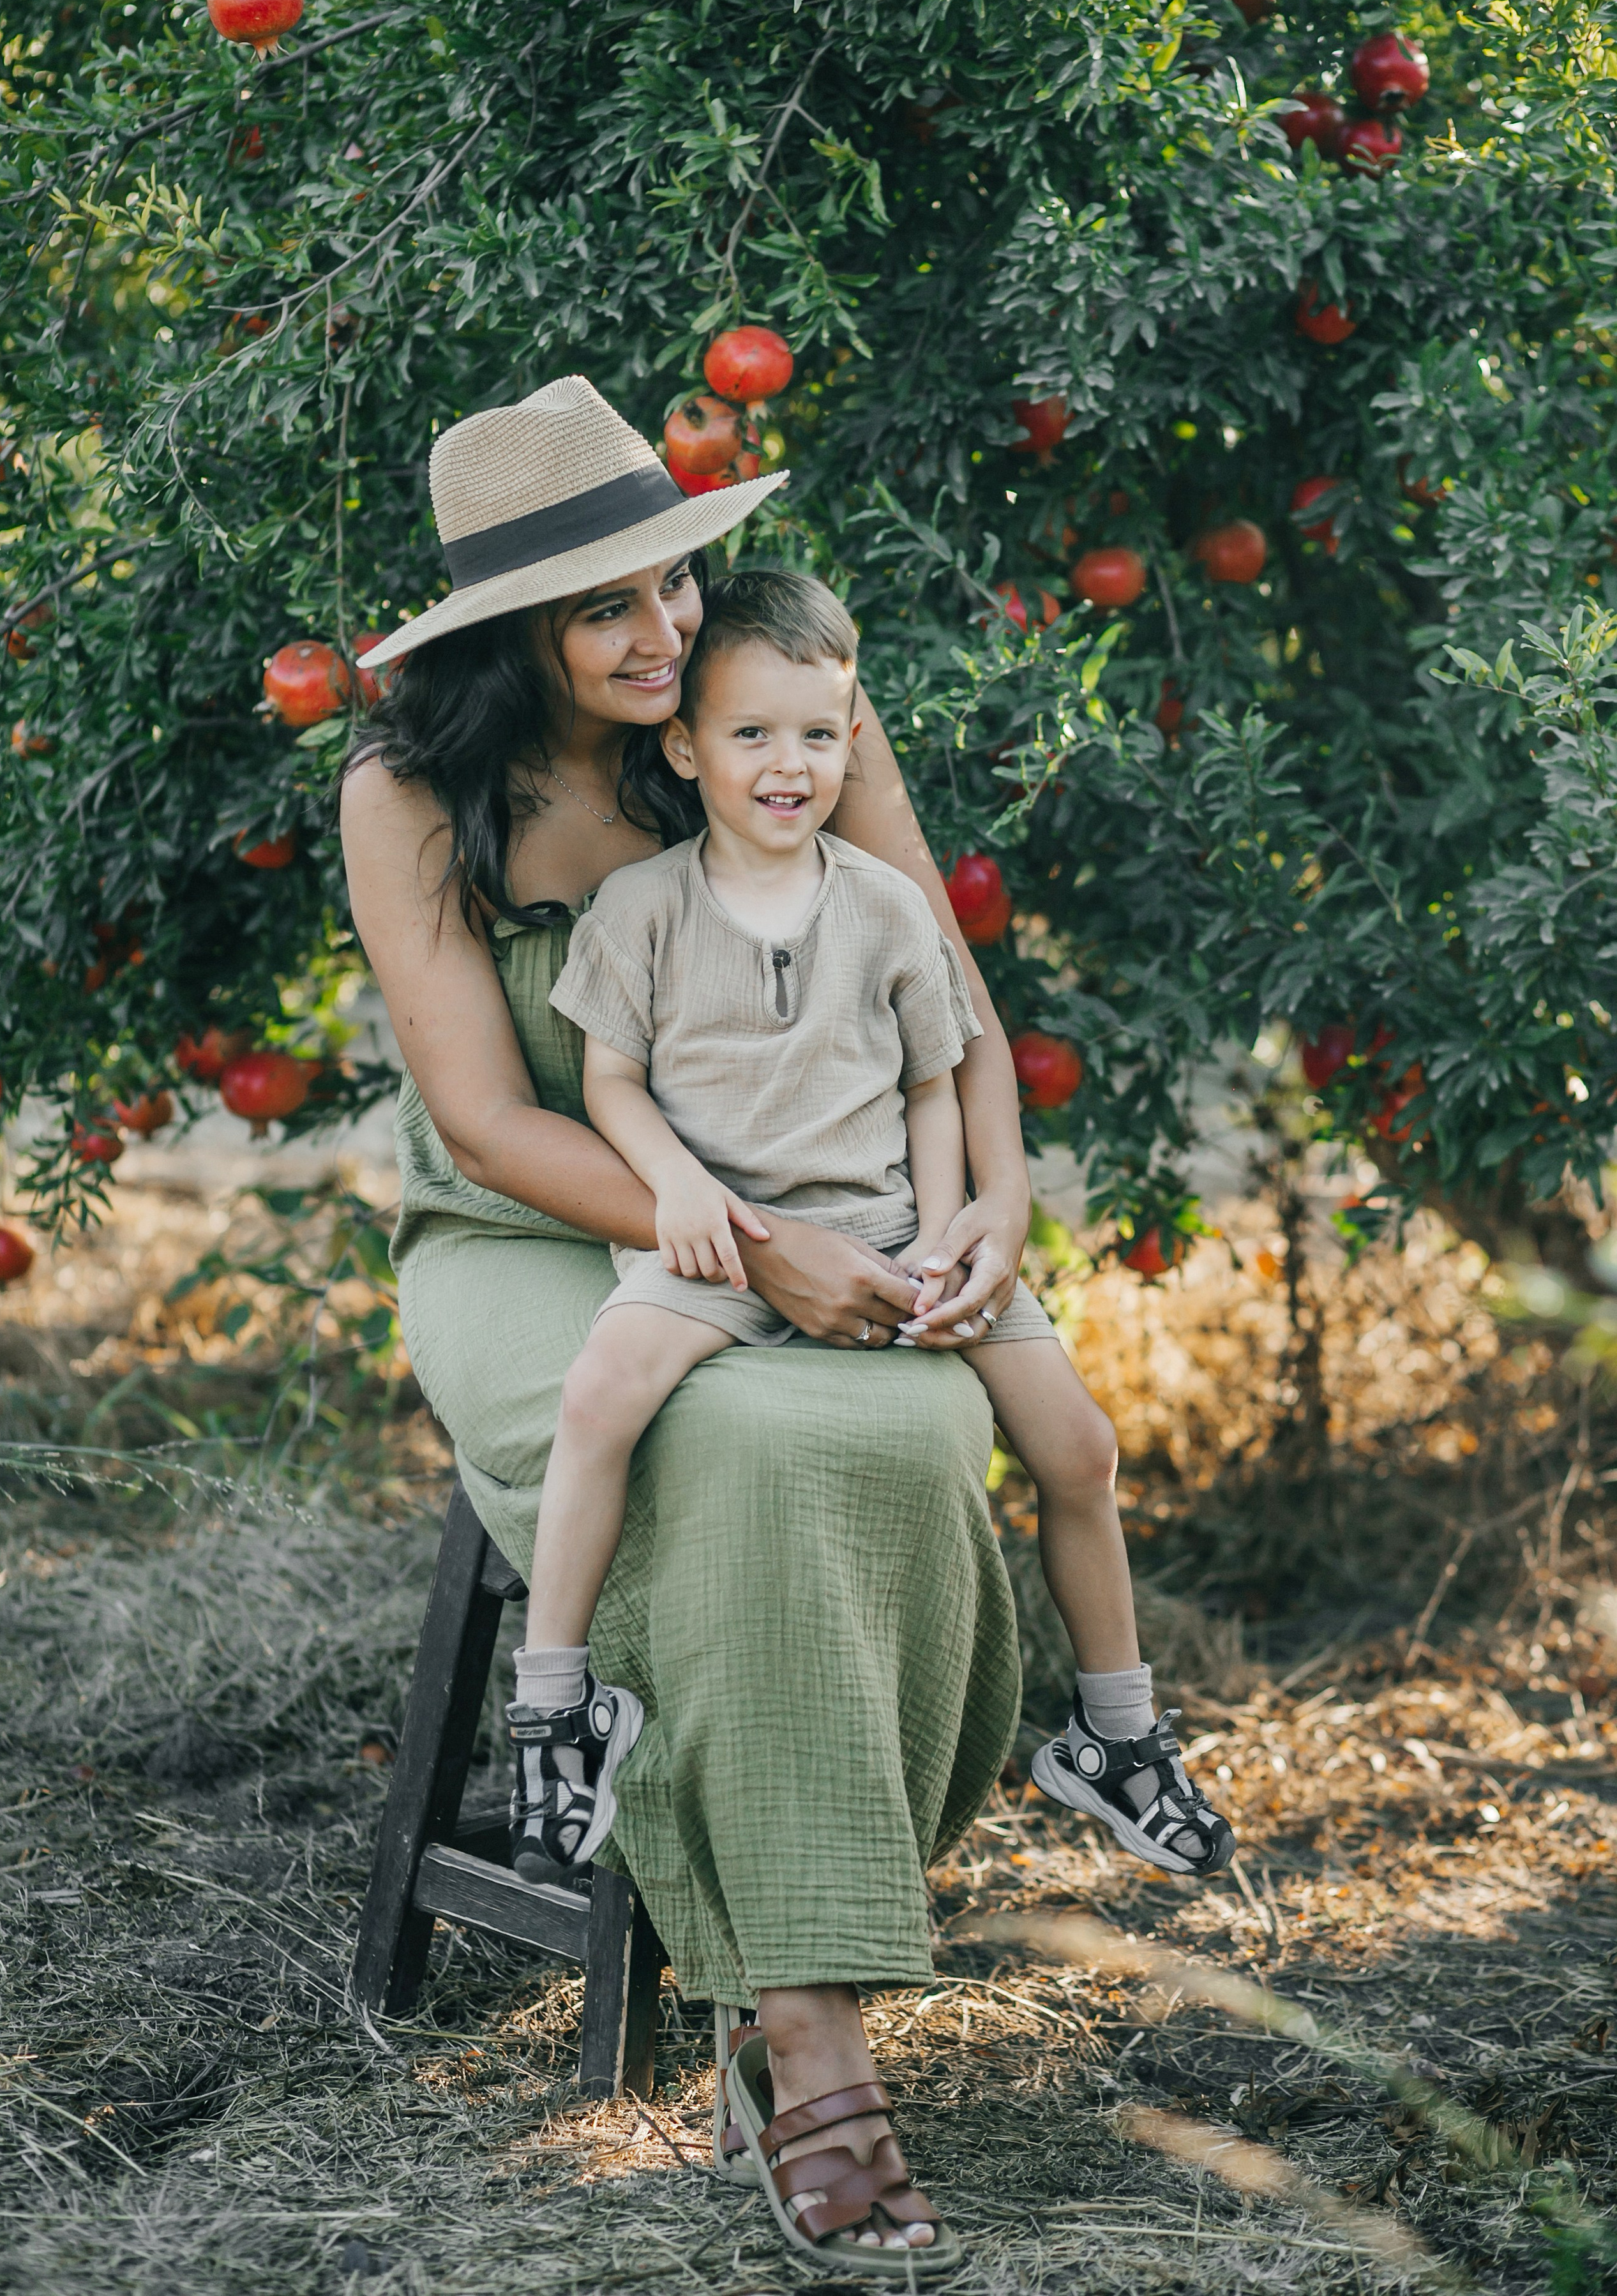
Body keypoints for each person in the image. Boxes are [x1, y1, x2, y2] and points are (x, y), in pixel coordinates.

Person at [338, 375, 1137, 2276]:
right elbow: (490, 1118)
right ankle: (811, 2054)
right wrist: (745, 1245)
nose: (659, 633)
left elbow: (945, 985)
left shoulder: (778, 714)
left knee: (912, 1425)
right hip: (540, 1234)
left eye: (672, 585)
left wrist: (991, 1211)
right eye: (605, 607)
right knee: (735, 1443)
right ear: (510, 632)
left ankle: (805, 1916)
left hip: (856, 1217)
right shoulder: (410, 795)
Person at [515, 569, 1234, 1908]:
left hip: (892, 1231)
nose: (786, 766)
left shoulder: (889, 908)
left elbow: (929, 1076)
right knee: (600, 1396)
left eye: (816, 735)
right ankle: (556, 1711)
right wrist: (678, 1191)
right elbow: (608, 1082)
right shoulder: (647, 910)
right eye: (749, 736)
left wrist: (956, 1223)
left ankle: (1118, 1735)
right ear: (685, 747)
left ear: (853, 738)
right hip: (721, 1239)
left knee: (1080, 1446)